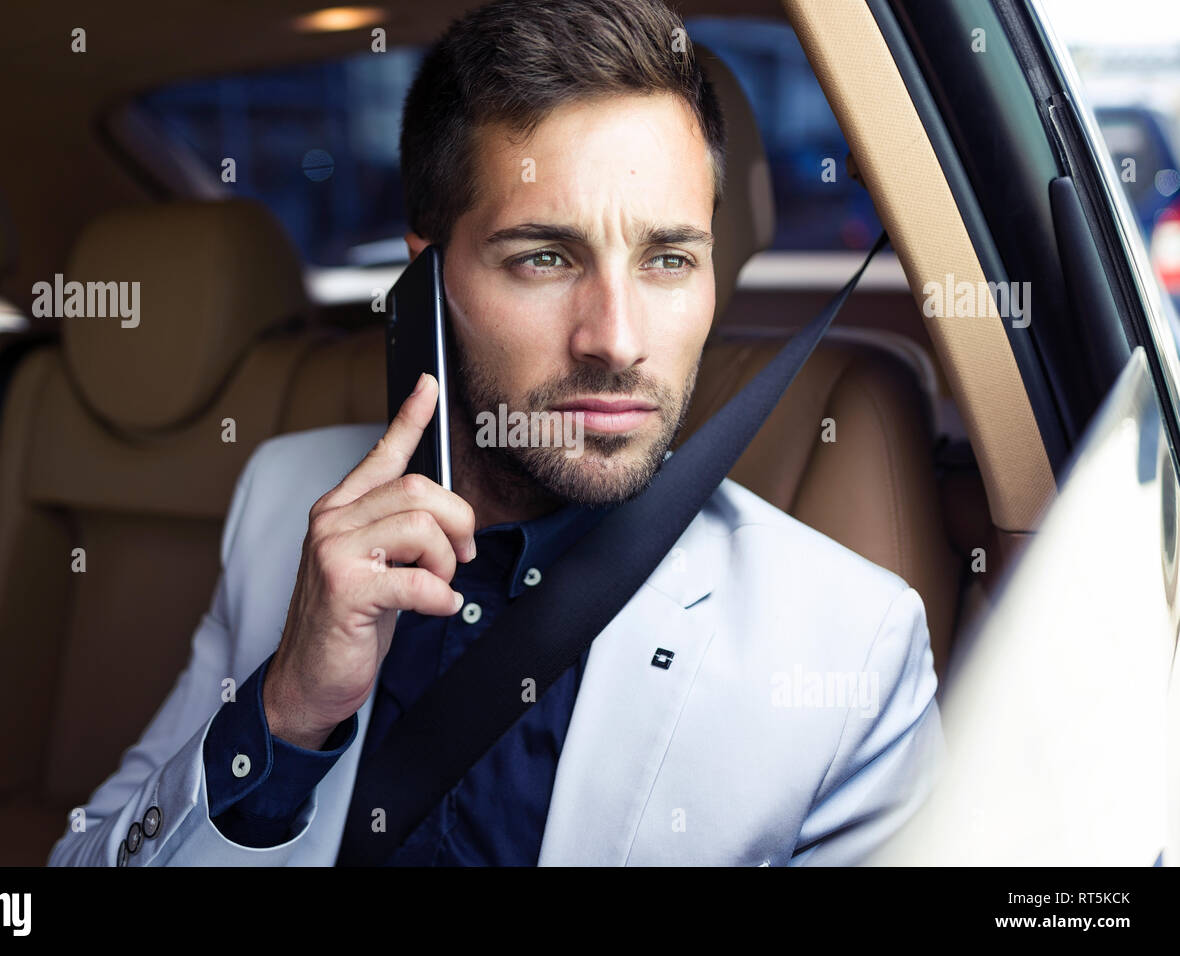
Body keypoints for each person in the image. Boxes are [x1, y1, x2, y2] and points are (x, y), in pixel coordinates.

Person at [49, 0, 943, 867]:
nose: (618, 339)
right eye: (544, 258)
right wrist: (283, 714)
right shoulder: (286, 502)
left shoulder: (848, 646)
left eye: (669, 259)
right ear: (426, 283)